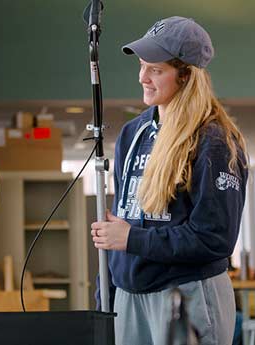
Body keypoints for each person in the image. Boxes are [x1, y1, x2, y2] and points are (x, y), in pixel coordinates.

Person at [91, 16, 248, 345]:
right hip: (128, 296)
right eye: (142, 66)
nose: (142, 77)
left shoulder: (214, 142)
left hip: (186, 292)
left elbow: (214, 239)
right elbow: (122, 221)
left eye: (156, 70)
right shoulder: (133, 134)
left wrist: (132, 240)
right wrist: (105, 287)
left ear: (186, 76)